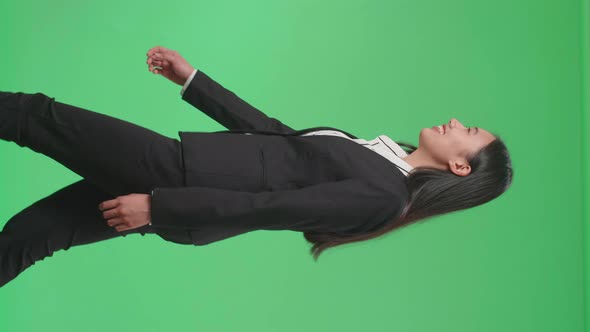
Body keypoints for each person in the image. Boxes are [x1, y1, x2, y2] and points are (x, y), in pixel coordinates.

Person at [0, 46, 513, 288]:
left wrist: (159, 207)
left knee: (37, 116)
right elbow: (277, 137)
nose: (454, 122)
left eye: (467, 133)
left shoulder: (385, 196)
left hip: (181, 184)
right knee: (31, 235)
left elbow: (272, 207)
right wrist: (192, 80)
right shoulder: (380, 156)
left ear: (461, 169)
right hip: (185, 181)